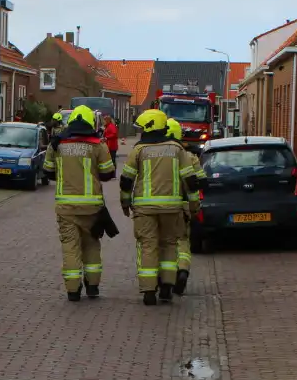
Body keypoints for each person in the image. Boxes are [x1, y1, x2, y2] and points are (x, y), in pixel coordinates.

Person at [120, 110, 198, 305]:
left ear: (149, 127)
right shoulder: (177, 149)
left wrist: (125, 203)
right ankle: (166, 287)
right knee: (169, 245)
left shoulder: (139, 150)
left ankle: (148, 291)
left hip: (144, 209)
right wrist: (194, 205)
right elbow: (190, 180)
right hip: (172, 208)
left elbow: (126, 180)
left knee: (148, 246)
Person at [42, 106, 116, 301]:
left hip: (66, 207)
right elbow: (108, 173)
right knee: (91, 245)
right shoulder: (98, 145)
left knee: (70, 247)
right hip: (92, 208)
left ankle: (73, 290)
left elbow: (47, 172)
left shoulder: (57, 144)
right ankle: (92, 287)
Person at [167, 117, 205, 295]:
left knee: (164, 243)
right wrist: (194, 207)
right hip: (183, 207)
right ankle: (182, 270)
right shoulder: (190, 156)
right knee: (182, 242)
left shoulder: (156, 156)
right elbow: (199, 182)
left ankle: (165, 279)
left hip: (162, 206)